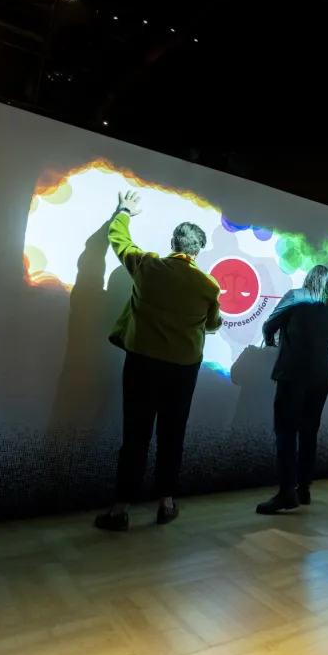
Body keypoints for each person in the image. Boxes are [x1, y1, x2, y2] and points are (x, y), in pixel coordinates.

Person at [94, 190, 222, 532]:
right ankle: (166, 504)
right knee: (172, 435)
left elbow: (118, 239)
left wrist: (123, 211)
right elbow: (212, 325)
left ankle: (120, 509)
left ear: (173, 243)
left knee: (135, 435)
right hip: (184, 370)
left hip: (143, 364)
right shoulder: (209, 286)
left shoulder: (148, 266)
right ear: (198, 250)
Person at [255, 264, 328, 514]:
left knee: (286, 432)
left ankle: (286, 493)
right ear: (327, 284)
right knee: (309, 432)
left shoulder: (295, 296)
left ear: (308, 279)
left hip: (293, 374)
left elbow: (269, 325)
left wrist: (271, 342)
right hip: (322, 375)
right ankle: (304, 489)